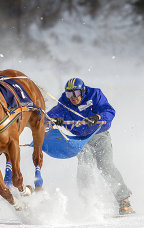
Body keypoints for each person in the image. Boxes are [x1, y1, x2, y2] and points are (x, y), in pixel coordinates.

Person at [47, 78, 134, 215]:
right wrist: (53, 121)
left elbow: (109, 111)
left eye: (75, 93)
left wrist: (98, 117)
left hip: (100, 135)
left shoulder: (94, 94)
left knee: (105, 165)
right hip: (81, 140)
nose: (73, 98)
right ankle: (88, 202)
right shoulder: (64, 102)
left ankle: (124, 200)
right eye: (69, 94)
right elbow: (48, 118)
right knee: (85, 164)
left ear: (83, 91)